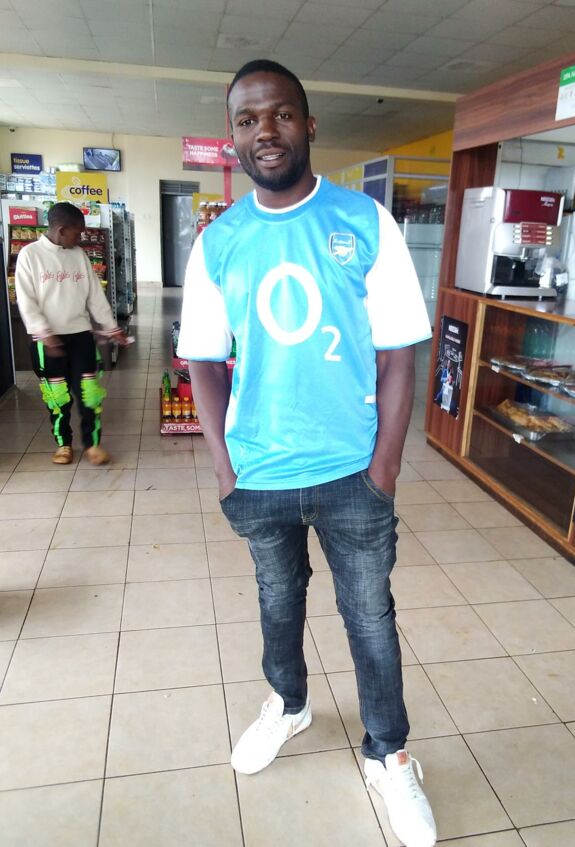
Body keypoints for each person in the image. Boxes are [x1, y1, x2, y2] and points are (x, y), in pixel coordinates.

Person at [178, 60, 436, 847]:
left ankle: (389, 753)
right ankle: (288, 705)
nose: (266, 131)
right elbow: (202, 360)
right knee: (277, 601)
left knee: (370, 616)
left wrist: (384, 467)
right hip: (259, 476)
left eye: (282, 114)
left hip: (353, 474)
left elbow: (399, 352)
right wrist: (226, 467)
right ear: (233, 135)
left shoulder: (365, 221)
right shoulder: (218, 242)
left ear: (309, 123)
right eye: (248, 119)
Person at [15, 201, 127, 465]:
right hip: (47, 342)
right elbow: (26, 300)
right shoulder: (30, 255)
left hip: (81, 337)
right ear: (61, 230)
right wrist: (44, 333)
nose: (81, 238)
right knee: (57, 399)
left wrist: (111, 328)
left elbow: (95, 296)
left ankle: (93, 445)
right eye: (77, 233)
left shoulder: (79, 256)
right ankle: (63, 444)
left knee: (90, 395)